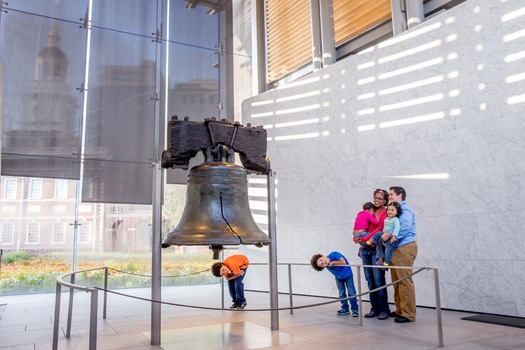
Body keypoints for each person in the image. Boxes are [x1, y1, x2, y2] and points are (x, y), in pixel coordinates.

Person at [353, 189, 390, 320]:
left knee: (379, 280)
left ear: (385, 201)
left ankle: (384, 310)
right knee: (370, 280)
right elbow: (361, 226)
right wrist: (356, 237)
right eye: (376, 197)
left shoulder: (386, 212)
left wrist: (364, 239)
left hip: (376, 249)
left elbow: (380, 230)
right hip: (364, 249)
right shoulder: (369, 210)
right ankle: (374, 308)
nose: (377, 200)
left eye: (380, 198)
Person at [387, 186, 417, 323]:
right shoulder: (396, 211)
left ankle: (408, 314)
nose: (389, 197)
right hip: (396, 249)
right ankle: (400, 310)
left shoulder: (406, 210)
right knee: (397, 282)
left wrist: (391, 236)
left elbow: (404, 227)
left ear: (400, 195)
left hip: (404, 248)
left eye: (391, 194)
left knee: (404, 282)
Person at [310, 252, 359, 317]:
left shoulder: (334, 254)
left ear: (322, 256)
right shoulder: (327, 266)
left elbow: (343, 262)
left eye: (321, 260)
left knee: (351, 292)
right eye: (321, 265)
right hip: (339, 277)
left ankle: (355, 310)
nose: (323, 263)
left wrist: (333, 263)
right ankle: (345, 308)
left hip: (348, 275)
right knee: (341, 293)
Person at [366, 202, 402, 266]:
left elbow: (397, 228)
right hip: (384, 234)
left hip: (391, 237)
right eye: (388, 210)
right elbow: (384, 228)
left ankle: (386, 262)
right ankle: (369, 242)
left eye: (392, 210)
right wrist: (382, 237)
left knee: (388, 249)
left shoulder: (395, 219)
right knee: (378, 236)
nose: (390, 211)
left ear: (397, 212)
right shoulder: (386, 219)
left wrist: (393, 236)